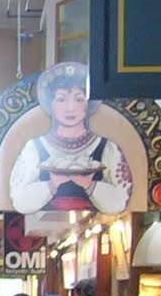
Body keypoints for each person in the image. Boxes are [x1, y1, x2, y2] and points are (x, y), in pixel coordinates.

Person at [8, 62, 132, 215]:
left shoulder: (107, 147)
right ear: (50, 103)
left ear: (88, 104)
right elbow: (19, 201)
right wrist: (53, 183)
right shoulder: (34, 147)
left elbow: (120, 201)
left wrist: (89, 184)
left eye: (79, 99)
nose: (70, 107)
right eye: (61, 99)